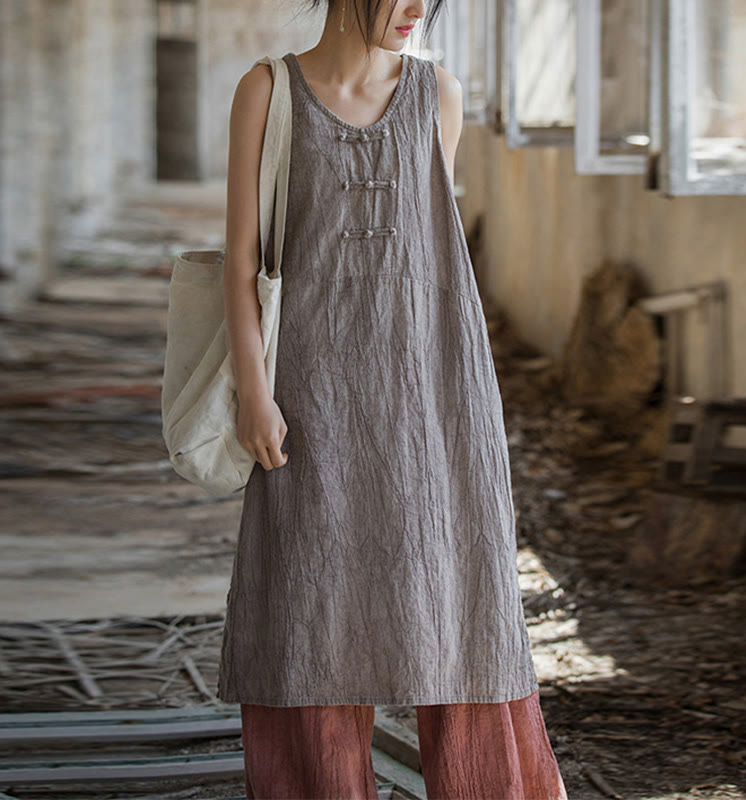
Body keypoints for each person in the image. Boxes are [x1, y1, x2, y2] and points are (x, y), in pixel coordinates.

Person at [216, 0, 568, 797]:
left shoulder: (437, 92)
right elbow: (242, 260)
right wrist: (254, 391)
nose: (416, 10)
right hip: (311, 394)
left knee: (458, 594)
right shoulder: (266, 91)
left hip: (433, 389)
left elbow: (430, 258)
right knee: (310, 599)